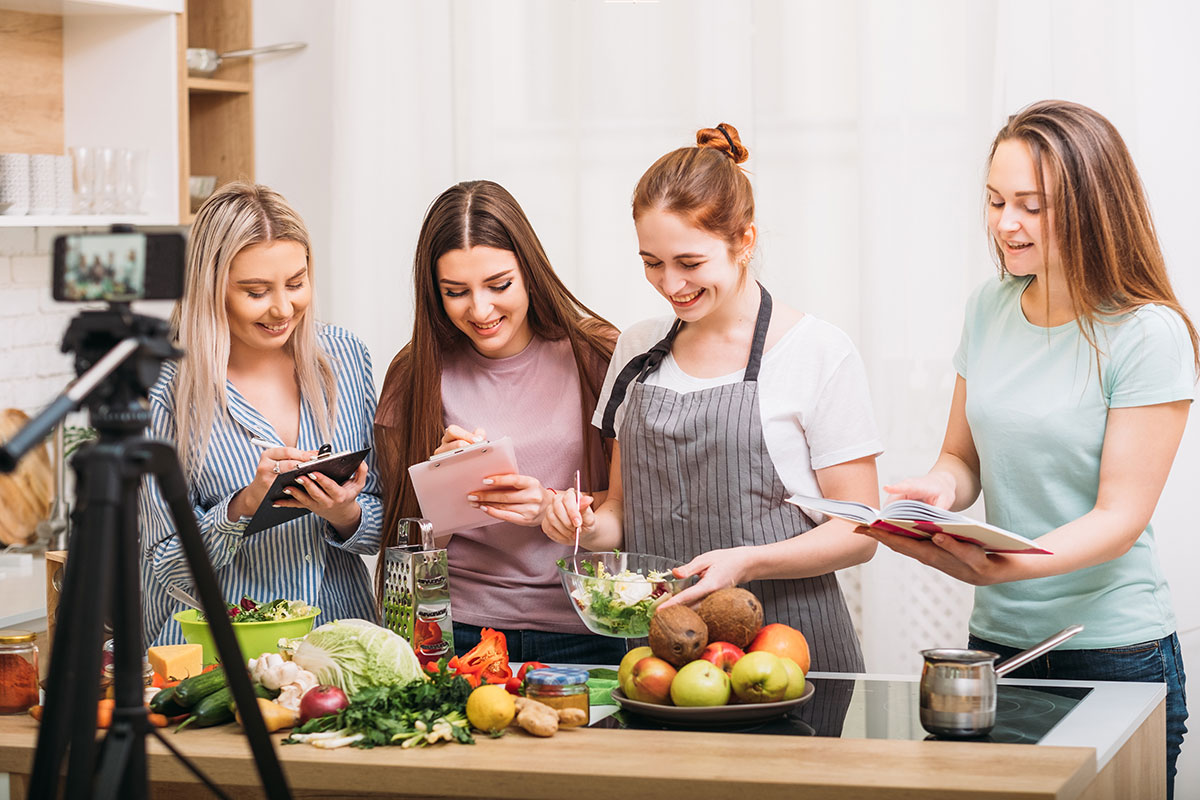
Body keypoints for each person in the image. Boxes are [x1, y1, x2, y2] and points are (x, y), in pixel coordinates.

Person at [860, 100, 1196, 797]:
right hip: (995, 651)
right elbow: (963, 459)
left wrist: (1001, 567)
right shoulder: (989, 306)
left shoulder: (1148, 333)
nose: (1005, 224)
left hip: (1112, 654)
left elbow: (1119, 518)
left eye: (1031, 206)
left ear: (1092, 207)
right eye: (995, 201)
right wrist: (938, 491)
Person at [542, 124, 883, 672]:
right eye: (652, 262)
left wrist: (747, 563)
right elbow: (621, 516)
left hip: (788, 650)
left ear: (744, 242)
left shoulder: (817, 351)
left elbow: (860, 532)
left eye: (690, 262)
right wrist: (578, 525)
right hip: (664, 656)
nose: (671, 284)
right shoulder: (637, 348)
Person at [374, 179, 626, 665]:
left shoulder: (598, 354)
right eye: (456, 292)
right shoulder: (415, 375)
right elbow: (399, 542)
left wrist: (550, 507)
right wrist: (440, 492)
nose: (481, 310)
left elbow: (628, 510)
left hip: (587, 625)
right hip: (458, 631)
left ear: (529, 272)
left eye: (499, 285)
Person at [139, 182, 382, 647]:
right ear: (210, 289)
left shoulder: (346, 357)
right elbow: (164, 563)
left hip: (339, 644)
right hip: (220, 652)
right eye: (255, 291)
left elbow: (386, 520)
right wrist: (243, 506)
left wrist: (345, 511)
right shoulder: (162, 390)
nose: (282, 307)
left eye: (296, 283)